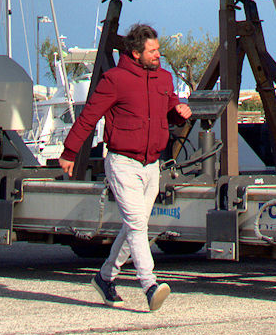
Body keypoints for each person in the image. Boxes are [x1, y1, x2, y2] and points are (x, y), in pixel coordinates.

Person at [59, 22, 193, 313]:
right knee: (136, 225)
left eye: (159, 49)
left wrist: (180, 112)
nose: (158, 55)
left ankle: (105, 277)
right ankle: (150, 284)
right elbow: (88, 117)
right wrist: (69, 152)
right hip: (122, 164)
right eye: (152, 51)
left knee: (137, 228)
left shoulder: (165, 79)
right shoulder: (115, 79)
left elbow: (171, 110)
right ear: (135, 53)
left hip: (151, 165)